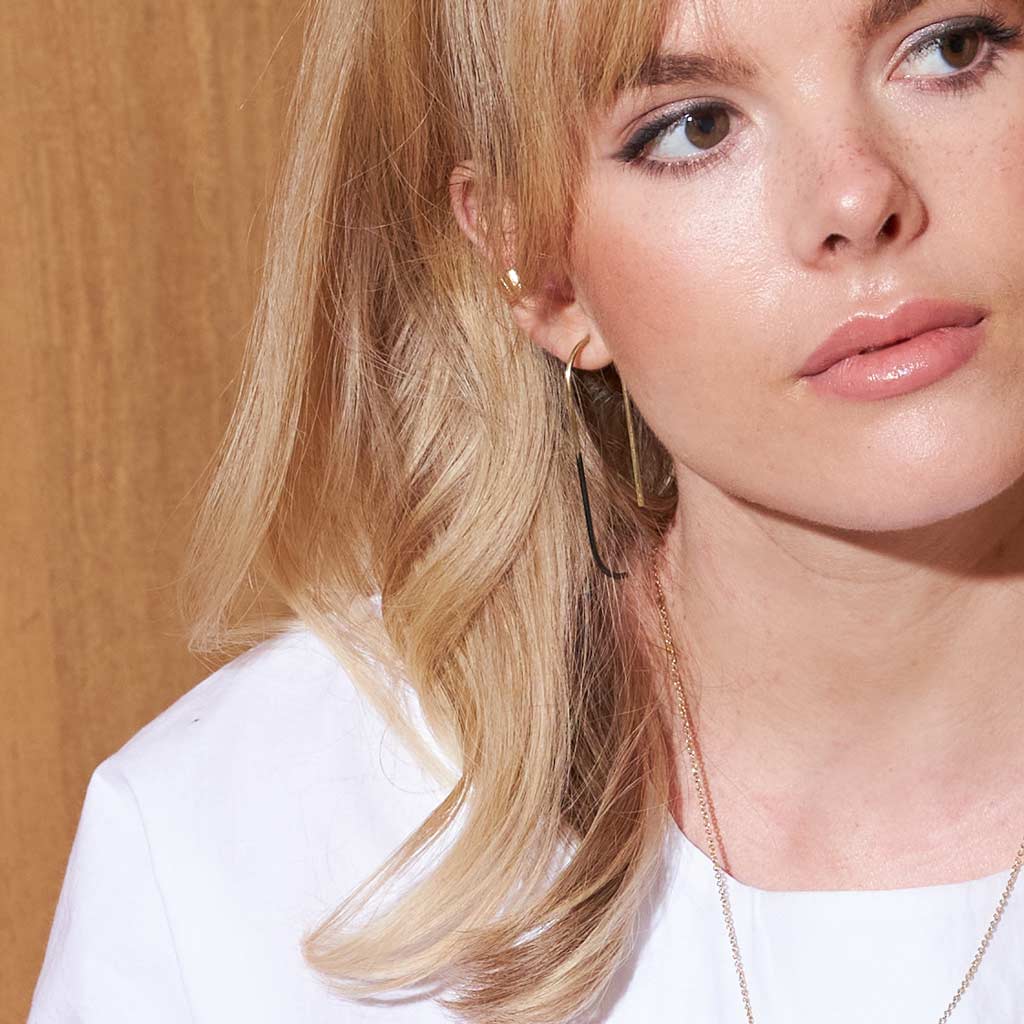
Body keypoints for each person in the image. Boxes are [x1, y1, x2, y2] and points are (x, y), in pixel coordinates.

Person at [28, 0, 1024, 1020]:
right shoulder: (231, 857)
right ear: (544, 276)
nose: (858, 197)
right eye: (692, 129)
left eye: (949, 50)